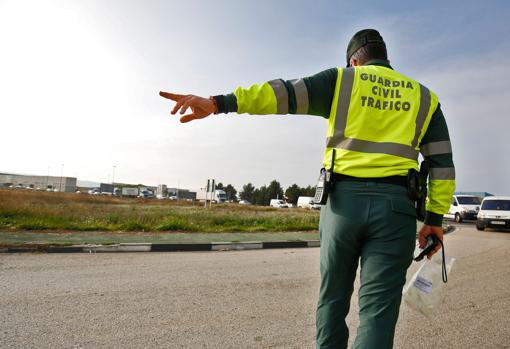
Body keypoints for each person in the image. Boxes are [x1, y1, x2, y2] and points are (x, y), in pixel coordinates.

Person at [160, 29, 455, 349]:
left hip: (343, 205)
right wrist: (435, 220)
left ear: (354, 61)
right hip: (396, 209)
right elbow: (442, 165)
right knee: (378, 313)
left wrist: (219, 103)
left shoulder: (342, 80)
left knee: (332, 300)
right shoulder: (424, 98)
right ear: (386, 59)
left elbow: (280, 94)